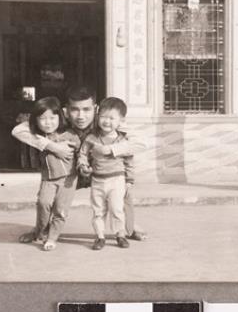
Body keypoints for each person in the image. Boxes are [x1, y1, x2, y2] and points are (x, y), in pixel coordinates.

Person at [11, 85, 147, 243]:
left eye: (86, 109)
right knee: (47, 198)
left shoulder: (105, 120)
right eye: (75, 109)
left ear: (95, 108)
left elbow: (141, 142)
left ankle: (129, 228)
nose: (81, 116)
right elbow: (18, 130)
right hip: (68, 173)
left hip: (101, 172)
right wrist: (52, 146)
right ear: (66, 109)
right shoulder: (59, 118)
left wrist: (109, 149)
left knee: (123, 193)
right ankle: (40, 229)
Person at [25, 96, 80, 251]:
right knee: (43, 204)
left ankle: (52, 238)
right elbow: (18, 131)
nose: (48, 122)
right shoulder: (37, 138)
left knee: (60, 210)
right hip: (48, 179)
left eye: (52, 118)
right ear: (36, 121)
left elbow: (80, 149)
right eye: (42, 119)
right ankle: (39, 232)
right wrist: (52, 146)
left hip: (68, 180)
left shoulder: (69, 134)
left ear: (60, 117)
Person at [77, 97, 133, 250]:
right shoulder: (91, 138)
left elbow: (129, 160)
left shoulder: (123, 140)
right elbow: (83, 154)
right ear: (97, 116)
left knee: (117, 209)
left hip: (117, 180)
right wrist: (83, 166)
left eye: (111, 118)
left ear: (121, 120)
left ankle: (120, 235)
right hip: (97, 180)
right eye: (103, 117)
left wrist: (129, 180)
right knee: (98, 210)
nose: (106, 121)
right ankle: (100, 237)